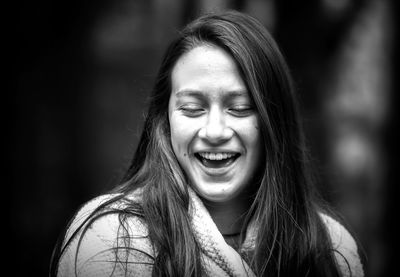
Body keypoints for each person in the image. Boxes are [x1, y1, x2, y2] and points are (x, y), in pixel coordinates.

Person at [50, 10, 364, 277]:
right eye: (192, 108)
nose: (214, 131)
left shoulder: (334, 248)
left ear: (274, 121)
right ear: (166, 120)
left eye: (240, 108)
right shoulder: (113, 239)